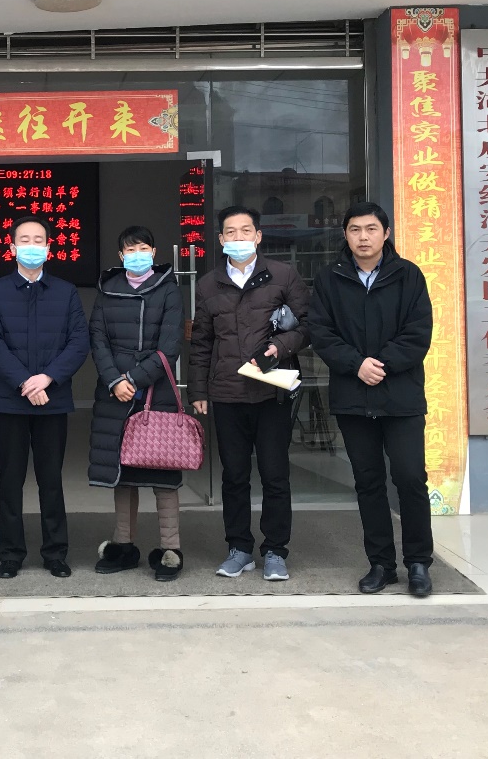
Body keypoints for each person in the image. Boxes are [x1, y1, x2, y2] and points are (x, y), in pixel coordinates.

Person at [307, 202, 435, 597]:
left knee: (410, 478)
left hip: (401, 397)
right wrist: (356, 364)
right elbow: (320, 331)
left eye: (371, 229)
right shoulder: (329, 278)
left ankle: (418, 562)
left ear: (386, 233)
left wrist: (381, 364)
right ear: (345, 234)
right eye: (355, 230)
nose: (363, 237)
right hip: (353, 396)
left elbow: (418, 331)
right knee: (368, 481)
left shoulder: (408, 275)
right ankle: (381, 564)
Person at [189, 205, 310, 581]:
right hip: (227, 394)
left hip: (272, 393)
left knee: (275, 474)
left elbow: (308, 325)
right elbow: (201, 342)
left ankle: (275, 550)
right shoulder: (208, 285)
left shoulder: (283, 275)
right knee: (234, 475)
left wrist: (280, 347)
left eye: (246, 231)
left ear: (258, 236)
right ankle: (239, 548)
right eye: (231, 232)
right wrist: (198, 389)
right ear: (221, 239)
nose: (238, 238)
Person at [0, 215, 90, 579]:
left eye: (38, 240)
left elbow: (79, 342)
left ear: (48, 247)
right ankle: (11, 554)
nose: (31, 246)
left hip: (52, 399)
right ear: (11, 247)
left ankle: (55, 553)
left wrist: (47, 379)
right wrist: (25, 382)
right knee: (10, 481)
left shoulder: (65, 291)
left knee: (50, 480)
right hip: (10, 401)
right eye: (24, 240)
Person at [87, 226, 187, 581]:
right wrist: (115, 380)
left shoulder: (169, 289)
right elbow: (97, 339)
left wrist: (133, 379)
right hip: (114, 393)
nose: (137, 254)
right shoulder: (107, 289)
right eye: (130, 249)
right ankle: (124, 544)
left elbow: (170, 347)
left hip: (156, 392)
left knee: (163, 471)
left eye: (143, 248)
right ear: (121, 256)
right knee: (123, 474)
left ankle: (170, 549)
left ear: (153, 252)